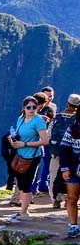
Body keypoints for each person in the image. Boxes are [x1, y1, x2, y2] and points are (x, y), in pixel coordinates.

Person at [6, 95, 50, 223]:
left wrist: (24, 144)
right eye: (29, 107)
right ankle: (22, 211)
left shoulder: (38, 121)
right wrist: (12, 140)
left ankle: (24, 213)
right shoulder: (21, 119)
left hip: (31, 157)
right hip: (20, 155)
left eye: (34, 107)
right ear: (24, 108)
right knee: (20, 184)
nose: (32, 109)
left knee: (26, 185)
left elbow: (45, 141)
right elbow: (17, 134)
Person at [48, 94, 80, 208]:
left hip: (57, 153)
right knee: (72, 178)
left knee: (54, 176)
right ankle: (69, 199)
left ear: (67, 103)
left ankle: (56, 200)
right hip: (74, 156)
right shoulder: (76, 121)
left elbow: (49, 134)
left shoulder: (58, 118)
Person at [33, 89, 58, 194]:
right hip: (36, 137)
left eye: (51, 96)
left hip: (49, 137)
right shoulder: (34, 107)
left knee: (48, 160)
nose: (49, 98)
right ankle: (33, 187)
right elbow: (26, 116)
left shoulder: (53, 106)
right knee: (35, 162)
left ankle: (43, 184)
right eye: (47, 96)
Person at [59, 120, 80, 238]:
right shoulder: (73, 129)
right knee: (72, 198)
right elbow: (64, 149)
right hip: (73, 169)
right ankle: (74, 226)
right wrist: (65, 168)